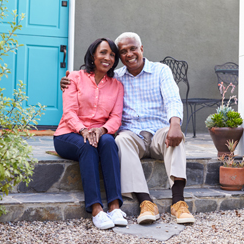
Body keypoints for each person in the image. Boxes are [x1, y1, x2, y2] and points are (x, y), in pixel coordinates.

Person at [61, 32, 195, 225]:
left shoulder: (161, 70)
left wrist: (175, 123)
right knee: (121, 140)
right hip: (133, 134)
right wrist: (66, 82)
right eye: (123, 51)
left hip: (159, 131)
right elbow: (88, 81)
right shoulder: (116, 78)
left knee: (175, 136)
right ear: (120, 57)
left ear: (141, 49)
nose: (129, 54)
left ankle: (179, 202)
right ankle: (145, 202)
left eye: (133, 48)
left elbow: (173, 98)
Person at [54, 38, 126, 230]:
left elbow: (116, 117)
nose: (108, 58)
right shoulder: (74, 77)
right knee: (87, 146)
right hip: (68, 134)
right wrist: (83, 130)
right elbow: (69, 112)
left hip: (99, 133)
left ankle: (114, 206)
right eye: (103, 52)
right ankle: (96, 209)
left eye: (112, 55)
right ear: (93, 55)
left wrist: (102, 130)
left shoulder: (117, 86)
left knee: (110, 142)